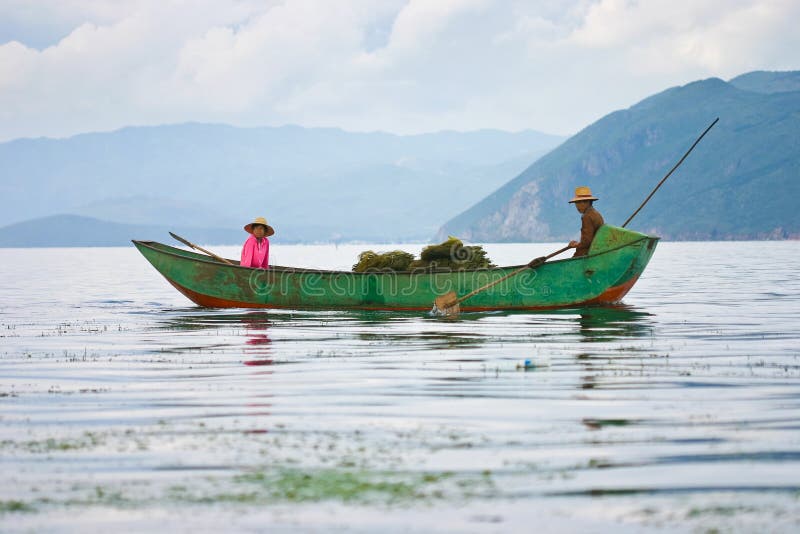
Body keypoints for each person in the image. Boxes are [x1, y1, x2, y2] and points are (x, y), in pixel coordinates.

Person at [568, 186, 604, 257]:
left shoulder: (587, 216)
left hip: (588, 253)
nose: (576, 206)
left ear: (585, 203)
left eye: (577, 203)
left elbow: (587, 242)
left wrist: (576, 244)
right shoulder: (595, 213)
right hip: (595, 250)